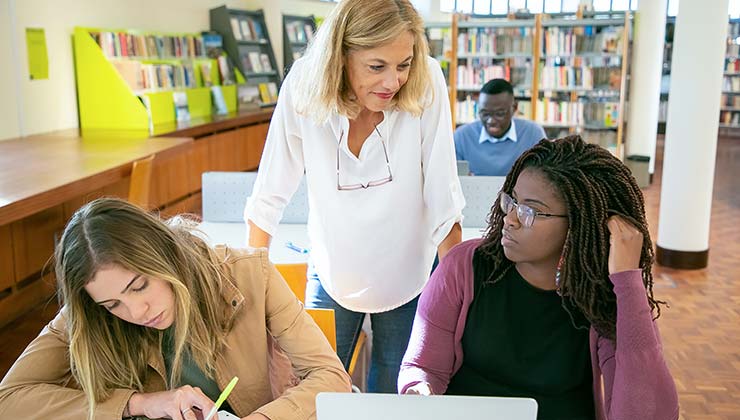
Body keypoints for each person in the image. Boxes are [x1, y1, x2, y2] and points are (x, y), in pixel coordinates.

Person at [244, 0, 464, 393]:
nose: (393, 82)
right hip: (332, 270)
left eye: (403, 65)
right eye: (377, 67)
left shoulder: (427, 80)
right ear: (340, 57)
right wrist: (251, 289)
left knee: (392, 395)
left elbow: (443, 194)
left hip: (408, 273)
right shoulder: (304, 85)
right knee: (317, 392)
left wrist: (457, 302)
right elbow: (268, 193)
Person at [399, 136, 679, 420]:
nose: (510, 218)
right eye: (512, 201)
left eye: (530, 211)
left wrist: (629, 282)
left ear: (580, 223)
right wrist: (419, 389)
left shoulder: (602, 294)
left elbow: (647, 414)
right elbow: (424, 367)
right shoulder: (464, 266)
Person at [0, 198, 350, 420]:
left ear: (165, 255)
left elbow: (331, 377)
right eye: (113, 305)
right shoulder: (88, 314)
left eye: (139, 286)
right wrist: (141, 403)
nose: (136, 312)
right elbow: (9, 398)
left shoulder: (248, 274)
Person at [454, 78, 546, 176]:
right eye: (485, 113)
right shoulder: (461, 136)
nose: (491, 121)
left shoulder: (533, 133)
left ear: (514, 108)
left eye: (499, 114)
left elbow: (546, 175)